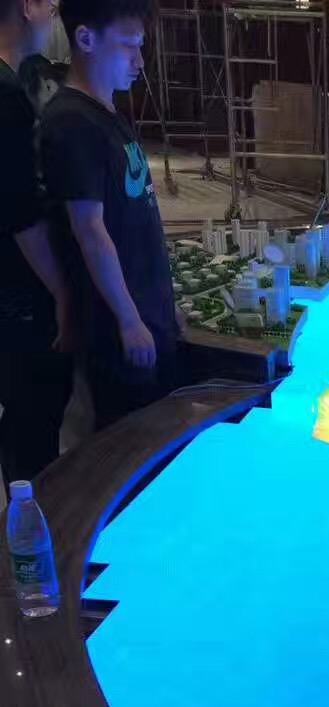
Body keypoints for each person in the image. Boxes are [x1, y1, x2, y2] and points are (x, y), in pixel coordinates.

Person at [39, 0, 182, 431]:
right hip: (117, 332)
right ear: (86, 38)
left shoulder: (106, 115)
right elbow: (90, 230)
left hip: (147, 314)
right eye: (128, 46)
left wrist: (161, 307)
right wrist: (129, 319)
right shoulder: (70, 122)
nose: (140, 61)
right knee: (131, 446)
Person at [0, 0, 74, 488]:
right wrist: (64, 294)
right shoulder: (7, 98)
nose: (55, 15)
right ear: (27, 7)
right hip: (22, 295)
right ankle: (35, 523)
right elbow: (22, 217)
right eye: (51, 4)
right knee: (34, 420)